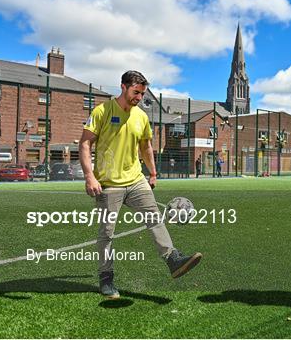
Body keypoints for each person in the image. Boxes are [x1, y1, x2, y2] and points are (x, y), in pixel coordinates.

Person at [79, 70, 202, 299]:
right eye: (136, 92)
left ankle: (173, 259)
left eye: (142, 94)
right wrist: (89, 176)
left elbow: (146, 147)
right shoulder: (102, 112)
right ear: (123, 87)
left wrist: (153, 172)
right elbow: (85, 143)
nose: (139, 98)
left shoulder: (141, 117)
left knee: (154, 217)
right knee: (106, 233)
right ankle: (106, 279)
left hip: (136, 180)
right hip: (108, 184)